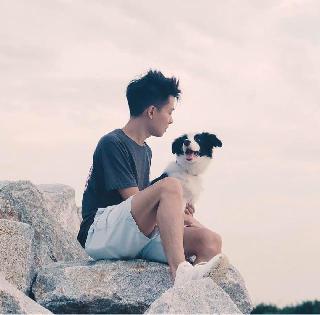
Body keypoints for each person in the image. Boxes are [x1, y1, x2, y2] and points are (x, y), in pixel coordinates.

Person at [77, 70, 222, 286]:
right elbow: (133, 200)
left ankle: (190, 295)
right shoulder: (112, 143)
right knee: (171, 187)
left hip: (135, 233)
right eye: (170, 112)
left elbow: (143, 211)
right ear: (152, 111)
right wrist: (183, 217)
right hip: (101, 232)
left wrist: (175, 212)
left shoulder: (145, 151)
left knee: (210, 241)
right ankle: (180, 272)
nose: (171, 120)